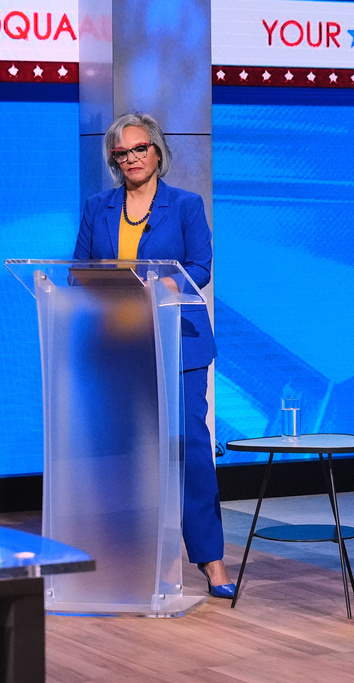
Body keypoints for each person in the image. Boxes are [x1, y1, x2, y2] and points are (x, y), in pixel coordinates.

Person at [74, 112, 236, 599]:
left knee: (188, 451)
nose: (131, 159)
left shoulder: (186, 205)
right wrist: (111, 289)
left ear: (158, 152)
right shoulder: (96, 207)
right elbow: (77, 270)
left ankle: (211, 561)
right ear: (112, 161)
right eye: (121, 154)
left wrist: (159, 286)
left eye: (139, 149)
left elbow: (201, 266)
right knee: (126, 455)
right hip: (121, 346)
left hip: (179, 344)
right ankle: (130, 556)